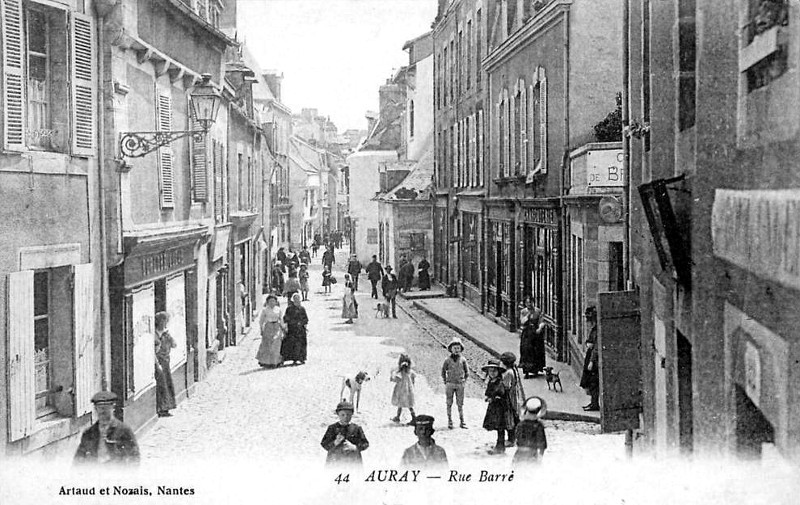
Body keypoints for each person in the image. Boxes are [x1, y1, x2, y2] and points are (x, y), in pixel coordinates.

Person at [74, 391, 140, 466]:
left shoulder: (123, 430)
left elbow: (134, 456)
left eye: (106, 407)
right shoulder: (89, 433)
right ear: (95, 409)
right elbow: (78, 459)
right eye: (100, 407)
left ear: (113, 407)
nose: (103, 410)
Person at [320, 401, 369, 468]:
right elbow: (324, 444)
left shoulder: (357, 428)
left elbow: (365, 443)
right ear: (338, 414)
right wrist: (335, 442)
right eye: (342, 415)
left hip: (353, 461)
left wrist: (355, 447)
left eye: (348, 415)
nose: (346, 417)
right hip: (335, 462)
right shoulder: (332, 428)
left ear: (352, 414)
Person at [482, 359, 515, 455]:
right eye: (490, 371)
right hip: (495, 408)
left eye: (494, 371)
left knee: (500, 427)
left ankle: (500, 447)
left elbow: (500, 394)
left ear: (498, 372)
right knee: (498, 427)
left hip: (501, 408)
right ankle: (501, 445)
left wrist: (493, 398)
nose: (492, 373)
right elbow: (489, 392)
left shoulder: (499, 382)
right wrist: (488, 397)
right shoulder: (491, 381)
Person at [441, 337, 469, 429]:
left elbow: (467, 372)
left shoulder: (463, 360)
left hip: (460, 384)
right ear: (451, 349)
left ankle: (462, 421)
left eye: (458, 348)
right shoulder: (447, 360)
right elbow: (443, 371)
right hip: (450, 384)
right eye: (454, 348)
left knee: (460, 404)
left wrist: (464, 381)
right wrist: (445, 381)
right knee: (449, 403)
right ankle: (450, 421)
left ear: (461, 349)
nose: (456, 350)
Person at [513, 396, 548, 466]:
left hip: (519, 454)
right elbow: (542, 444)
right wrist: (540, 457)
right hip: (532, 455)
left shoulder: (521, 424)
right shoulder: (538, 426)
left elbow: (516, 437)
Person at [154, 311, 176, 418]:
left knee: (167, 383)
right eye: (164, 321)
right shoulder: (155, 334)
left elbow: (174, 345)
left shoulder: (165, 334)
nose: (166, 323)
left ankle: (167, 407)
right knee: (162, 384)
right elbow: (154, 350)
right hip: (159, 362)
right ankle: (162, 408)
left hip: (166, 362)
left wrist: (169, 337)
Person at [500, 352, 523, 447]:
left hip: (509, 398)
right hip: (515, 397)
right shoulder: (514, 369)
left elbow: (506, 387)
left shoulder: (508, 373)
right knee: (515, 418)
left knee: (510, 419)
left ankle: (511, 440)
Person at [519, 297, 546, 378]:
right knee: (526, 351)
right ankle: (526, 371)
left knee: (536, 351)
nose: (529, 304)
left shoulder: (537, 311)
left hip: (535, 334)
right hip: (527, 334)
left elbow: (542, 321)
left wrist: (540, 328)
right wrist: (527, 315)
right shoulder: (523, 311)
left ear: (533, 302)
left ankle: (536, 370)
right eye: (527, 303)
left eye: (530, 302)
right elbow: (522, 321)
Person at [580, 306, 600, 411]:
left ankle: (595, 404)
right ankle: (593, 402)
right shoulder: (594, 328)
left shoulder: (598, 329)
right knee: (591, 381)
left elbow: (596, 347)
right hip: (590, 355)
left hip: (594, 359)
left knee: (594, 382)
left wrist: (592, 361)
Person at [256, 295, 284, 368]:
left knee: (276, 344)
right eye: (270, 301)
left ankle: (276, 361)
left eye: (273, 301)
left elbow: (281, 319)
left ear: (276, 302)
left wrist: (283, 328)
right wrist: (261, 329)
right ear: (267, 302)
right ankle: (267, 362)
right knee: (267, 345)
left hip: (276, 327)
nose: (272, 303)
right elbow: (261, 321)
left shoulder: (278, 309)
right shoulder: (265, 310)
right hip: (268, 327)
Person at [282, 293, 308, 365]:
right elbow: (286, 318)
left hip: (301, 330)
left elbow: (306, 318)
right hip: (292, 330)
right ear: (293, 300)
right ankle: (294, 358)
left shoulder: (302, 309)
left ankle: (301, 358)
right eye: (295, 299)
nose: (297, 301)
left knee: (301, 344)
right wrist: (292, 322)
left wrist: (302, 323)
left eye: (298, 299)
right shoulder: (289, 309)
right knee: (292, 344)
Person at [390, 354, 416, 424]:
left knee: (401, 403)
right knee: (408, 404)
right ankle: (412, 417)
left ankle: (400, 417)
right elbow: (413, 378)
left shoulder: (400, 373)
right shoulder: (410, 372)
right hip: (408, 390)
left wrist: (392, 377)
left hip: (402, 390)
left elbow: (396, 379)